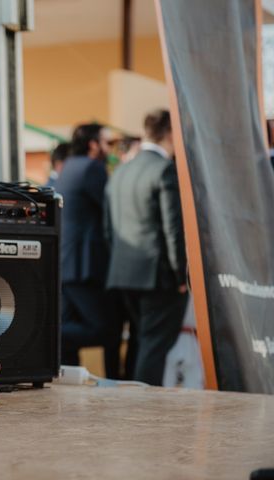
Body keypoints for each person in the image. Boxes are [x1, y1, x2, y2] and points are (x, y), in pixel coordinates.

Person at [103, 109, 188, 385]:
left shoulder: (121, 171)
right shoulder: (164, 169)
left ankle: (135, 400)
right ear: (171, 133)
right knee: (154, 345)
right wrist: (180, 276)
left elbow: (108, 229)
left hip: (123, 272)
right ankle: (145, 406)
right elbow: (173, 229)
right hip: (157, 275)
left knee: (143, 340)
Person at [54, 122, 122, 378]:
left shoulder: (69, 166)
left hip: (68, 263)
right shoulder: (93, 168)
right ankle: (50, 335)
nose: (110, 149)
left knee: (69, 325)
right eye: (107, 143)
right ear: (94, 145)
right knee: (106, 330)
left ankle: (67, 373)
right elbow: (110, 211)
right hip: (85, 265)